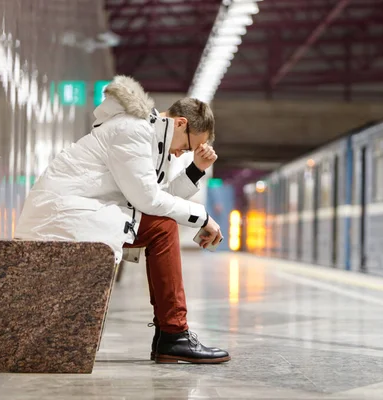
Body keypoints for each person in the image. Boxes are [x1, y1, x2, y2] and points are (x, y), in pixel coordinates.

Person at [14, 75, 230, 364]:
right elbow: (149, 201)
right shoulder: (133, 131)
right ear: (181, 123)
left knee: (162, 224)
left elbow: (155, 196)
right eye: (188, 147)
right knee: (163, 228)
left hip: (78, 211)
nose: (182, 153)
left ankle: (171, 334)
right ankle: (173, 335)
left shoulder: (149, 136)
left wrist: (195, 170)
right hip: (62, 214)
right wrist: (204, 218)